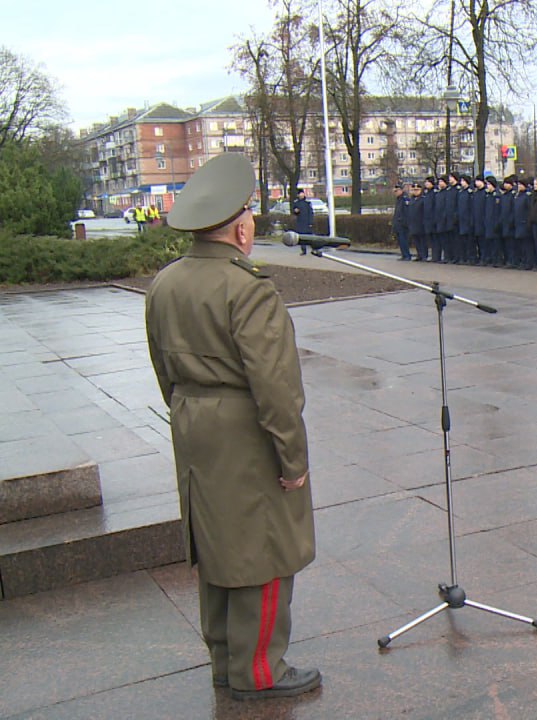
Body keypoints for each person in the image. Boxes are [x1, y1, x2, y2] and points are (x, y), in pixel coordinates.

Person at [144, 153, 320, 702]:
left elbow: (161, 367)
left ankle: (225, 661)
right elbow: (276, 387)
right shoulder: (247, 288)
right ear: (241, 226)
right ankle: (260, 670)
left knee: (217, 543)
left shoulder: (166, 282)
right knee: (263, 549)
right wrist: (292, 460)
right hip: (245, 428)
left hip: (193, 419)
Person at [512, 177, 533, 270]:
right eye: (518, 184)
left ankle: (529, 262)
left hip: (524, 222)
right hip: (518, 223)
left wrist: (528, 222)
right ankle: (523, 261)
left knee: (527, 245)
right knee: (520, 244)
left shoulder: (527, 196)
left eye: (521, 185)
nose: (519, 186)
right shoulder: (517, 195)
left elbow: (529, 210)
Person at [406, 183, 427, 261]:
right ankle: (419, 254)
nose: (415, 191)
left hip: (420, 222)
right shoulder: (411, 199)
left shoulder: (423, 199)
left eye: (417, 190)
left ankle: (424, 255)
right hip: (413, 223)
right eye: (414, 190)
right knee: (416, 240)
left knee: (422, 240)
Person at [291, 188, 313, 256]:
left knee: (309, 237)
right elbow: (294, 211)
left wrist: (310, 222)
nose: (301, 195)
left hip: (307, 222)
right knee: (302, 237)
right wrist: (295, 211)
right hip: (300, 222)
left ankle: (313, 248)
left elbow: (311, 213)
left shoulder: (307, 203)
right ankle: (304, 250)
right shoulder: (296, 203)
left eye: (302, 193)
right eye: (300, 194)